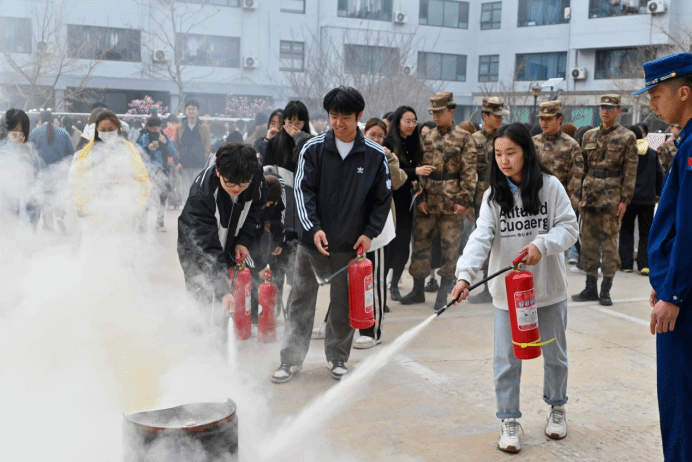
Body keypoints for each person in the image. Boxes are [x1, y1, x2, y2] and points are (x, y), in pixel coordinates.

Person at [450, 123, 578, 454]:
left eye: (511, 152)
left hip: (548, 288)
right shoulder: (493, 196)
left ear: (526, 153)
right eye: (498, 154)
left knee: (555, 354)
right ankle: (508, 419)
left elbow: (569, 227)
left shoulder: (550, 187)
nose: (504, 160)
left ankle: (557, 407)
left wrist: (542, 245)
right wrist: (465, 276)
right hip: (509, 294)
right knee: (506, 359)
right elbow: (480, 237)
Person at [271, 86, 392, 383]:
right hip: (311, 242)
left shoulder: (375, 155)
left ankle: (337, 357)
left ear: (359, 116)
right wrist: (313, 228)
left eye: (345, 117)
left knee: (343, 302)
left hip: (350, 243)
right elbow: (303, 193)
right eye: (333, 116)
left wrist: (369, 233)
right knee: (300, 300)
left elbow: (382, 200)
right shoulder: (312, 149)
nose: (338, 123)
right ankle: (290, 360)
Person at [634, 53, 692, 462]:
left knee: (679, 397)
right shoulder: (684, 140)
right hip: (678, 285)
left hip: (683, 299)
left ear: (683, 93)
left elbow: (689, 227)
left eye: (656, 95)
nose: (652, 104)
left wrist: (673, 292)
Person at [177, 143, 267, 351]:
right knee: (201, 293)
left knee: (226, 303)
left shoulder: (255, 175)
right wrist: (222, 289)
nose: (237, 189)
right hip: (196, 247)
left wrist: (243, 240)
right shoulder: (202, 195)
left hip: (231, 240)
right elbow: (206, 246)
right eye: (230, 184)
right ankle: (197, 348)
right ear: (218, 171)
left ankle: (219, 348)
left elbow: (257, 209)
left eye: (243, 184)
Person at [399, 92, 477, 310]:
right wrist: (421, 197)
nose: (435, 115)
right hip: (428, 199)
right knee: (420, 244)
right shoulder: (427, 137)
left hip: (452, 201)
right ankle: (417, 289)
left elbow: (469, 170)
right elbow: (420, 168)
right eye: (433, 112)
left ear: (451, 111)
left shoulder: (464, 137)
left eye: (440, 111)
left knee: (450, 247)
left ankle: (445, 290)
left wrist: (463, 200)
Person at [571, 95, 638, 306]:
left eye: (610, 107)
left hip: (612, 196)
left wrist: (625, 200)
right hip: (590, 195)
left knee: (609, 245)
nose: (605, 111)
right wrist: (579, 196)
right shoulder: (589, 135)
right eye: (603, 107)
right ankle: (590, 287)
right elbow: (582, 168)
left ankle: (605, 290)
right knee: (588, 243)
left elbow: (630, 170)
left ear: (618, 110)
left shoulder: (627, 137)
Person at [353, 117, 406, 349]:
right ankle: (335, 323)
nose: (375, 139)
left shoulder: (385, 157)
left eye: (380, 136)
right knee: (348, 278)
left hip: (377, 229)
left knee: (374, 279)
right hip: (351, 227)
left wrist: (389, 157)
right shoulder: (354, 153)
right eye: (372, 134)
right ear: (364, 133)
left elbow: (398, 181)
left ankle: (373, 330)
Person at [70, 110, 150, 226]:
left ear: (118, 128)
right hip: (95, 211)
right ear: (97, 130)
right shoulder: (88, 151)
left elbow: (142, 178)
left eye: (110, 129)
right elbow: (78, 179)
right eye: (103, 130)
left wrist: (140, 204)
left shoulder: (128, 149)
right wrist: (80, 205)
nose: (107, 133)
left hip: (123, 210)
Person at [382, 106, 426, 302]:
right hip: (390, 201)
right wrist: (415, 172)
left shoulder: (415, 143)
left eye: (413, 121)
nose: (411, 125)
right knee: (388, 245)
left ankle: (394, 285)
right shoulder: (388, 143)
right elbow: (391, 173)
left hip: (407, 201)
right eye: (407, 121)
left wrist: (416, 182)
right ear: (397, 122)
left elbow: (414, 173)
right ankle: (381, 286)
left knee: (402, 245)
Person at [467, 97, 507, 304]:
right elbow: (468, 171)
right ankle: (486, 285)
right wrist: (467, 201)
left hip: (505, 194)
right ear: (484, 116)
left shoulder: (506, 138)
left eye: (501, 115)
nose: (500, 119)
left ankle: (499, 285)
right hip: (481, 196)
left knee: (503, 241)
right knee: (484, 239)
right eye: (496, 115)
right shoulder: (473, 140)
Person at [617, 125, 663, 276]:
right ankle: (644, 264)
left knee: (626, 230)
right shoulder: (652, 153)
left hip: (628, 199)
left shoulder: (624, 153)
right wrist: (658, 193)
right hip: (647, 199)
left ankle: (626, 264)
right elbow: (659, 174)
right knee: (646, 232)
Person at [28, 110, 75, 233]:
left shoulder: (35, 132)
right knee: (59, 196)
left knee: (46, 201)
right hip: (59, 173)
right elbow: (71, 153)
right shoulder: (63, 132)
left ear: (40, 120)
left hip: (42, 173)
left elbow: (28, 152)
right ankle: (60, 217)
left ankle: (48, 227)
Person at [0, 109, 43, 229]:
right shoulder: (3, 150)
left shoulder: (30, 152)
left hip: (25, 213)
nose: (18, 136)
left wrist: (37, 194)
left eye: (21, 132)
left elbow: (37, 177)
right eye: (14, 131)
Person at [136, 116, 178, 232]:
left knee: (162, 197)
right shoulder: (143, 136)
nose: (154, 130)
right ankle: (142, 223)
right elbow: (136, 151)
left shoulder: (164, 137)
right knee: (145, 197)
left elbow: (173, 152)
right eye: (152, 127)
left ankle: (160, 222)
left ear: (160, 127)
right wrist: (147, 148)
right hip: (147, 172)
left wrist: (165, 143)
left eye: (157, 127)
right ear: (148, 127)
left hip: (163, 170)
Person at [175, 99, 212, 202]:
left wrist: (206, 162)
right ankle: (186, 210)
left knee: (198, 190)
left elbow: (207, 145)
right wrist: (178, 161)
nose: (191, 111)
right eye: (189, 109)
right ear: (186, 111)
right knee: (185, 191)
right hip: (184, 164)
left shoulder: (204, 127)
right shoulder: (180, 128)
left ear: (198, 111)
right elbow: (176, 146)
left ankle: (197, 210)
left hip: (199, 164)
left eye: (193, 109)